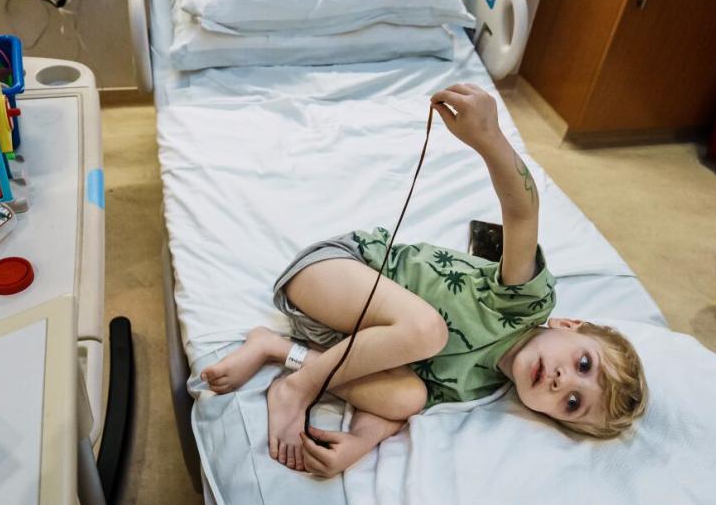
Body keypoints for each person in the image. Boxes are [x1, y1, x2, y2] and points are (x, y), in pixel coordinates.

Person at [203, 83, 648, 477]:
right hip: (333, 274)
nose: (560, 381)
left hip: (333, 339)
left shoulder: (475, 385)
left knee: (408, 399)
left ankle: (275, 348)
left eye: (572, 402)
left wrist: (361, 442)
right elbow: (521, 212)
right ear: (570, 325)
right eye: (583, 365)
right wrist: (490, 139)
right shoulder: (524, 304)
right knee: (426, 331)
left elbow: (387, 404)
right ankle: (296, 390)